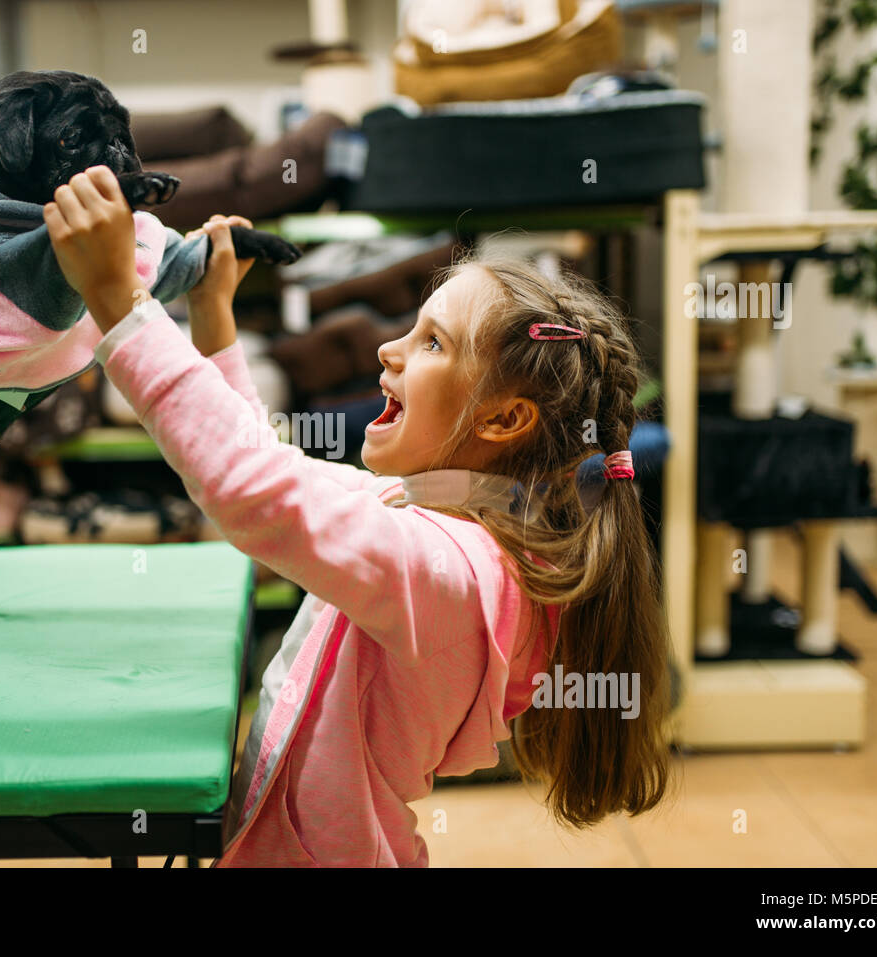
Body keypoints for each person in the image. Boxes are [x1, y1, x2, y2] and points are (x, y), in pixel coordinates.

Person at [44, 166, 674, 867]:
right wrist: (215, 321)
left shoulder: (446, 571)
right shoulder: (429, 521)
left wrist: (119, 303)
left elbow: (253, 492)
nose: (388, 348)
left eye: (432, 342)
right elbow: (269, 468)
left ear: (504, 418)